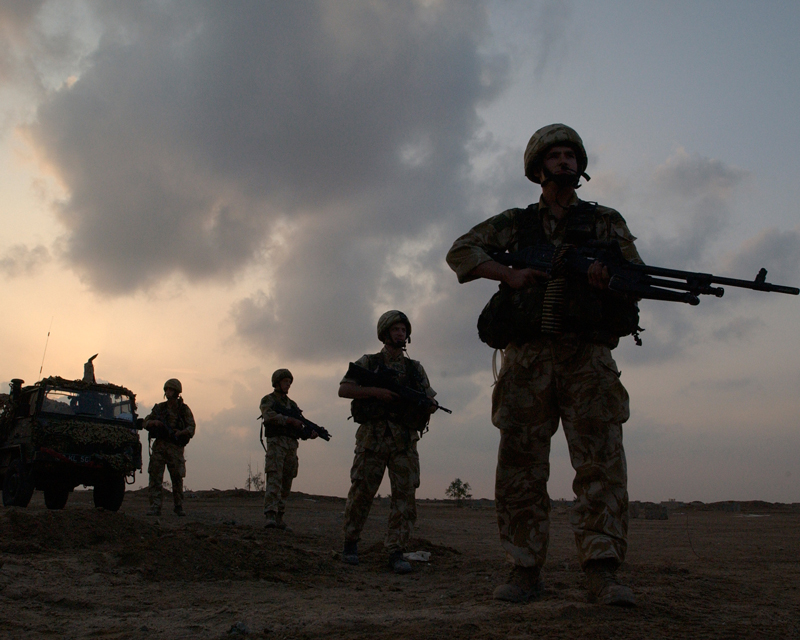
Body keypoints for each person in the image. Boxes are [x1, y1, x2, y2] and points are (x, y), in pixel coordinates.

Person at [446, 124, 640, 606]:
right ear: (538, 167)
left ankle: (602, 570)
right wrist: (507, 273)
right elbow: (461, 252)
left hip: (589, 358)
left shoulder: (606, 222)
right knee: (520, 467)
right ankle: (524, 570)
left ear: (581, 166)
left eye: (570, 155)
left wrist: (607, 279)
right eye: (554, 156)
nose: (564, 162)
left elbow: (637, 277)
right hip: (527, 359)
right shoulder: (515, 223)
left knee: (601, 465)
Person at [338, 310, 438, 574]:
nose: (400, 334)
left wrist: (430, 405)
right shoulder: (369, 363)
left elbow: (429, 398)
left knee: (405, 498)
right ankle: (350, 544)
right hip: (372, 440)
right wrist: (377, 392)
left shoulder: (414, 369)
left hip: (404, 442)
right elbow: (344, 389)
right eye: (395, 329)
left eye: (404, 330)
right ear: (385, 333)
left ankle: (396, 551)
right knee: (361, 493)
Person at [260, 368, 317, 530]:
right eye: (286, 382)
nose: (288, 385)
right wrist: (288, 420)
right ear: (277, 383)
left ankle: (280, 516)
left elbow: (299, 426)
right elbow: (268, 415)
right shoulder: (268, 400)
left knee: (287, 480)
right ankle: (270, 514)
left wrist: (309, 433)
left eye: (290, 382)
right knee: (274, 478)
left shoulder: (292, 405)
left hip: (291, 447)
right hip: (276, 445)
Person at [144, 378, 196, 517]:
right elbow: (145, 422)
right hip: (160, 447)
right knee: (155, 477)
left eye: (171, 390)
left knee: (177, 479)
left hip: (175, 448)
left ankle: (178, 506)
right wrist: (153, 422)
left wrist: (181, 432)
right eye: (166, 389)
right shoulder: (160, 409)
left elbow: (191, 427)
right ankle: (155, 507)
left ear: (177, 392)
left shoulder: (183, 410)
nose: (168, 392)